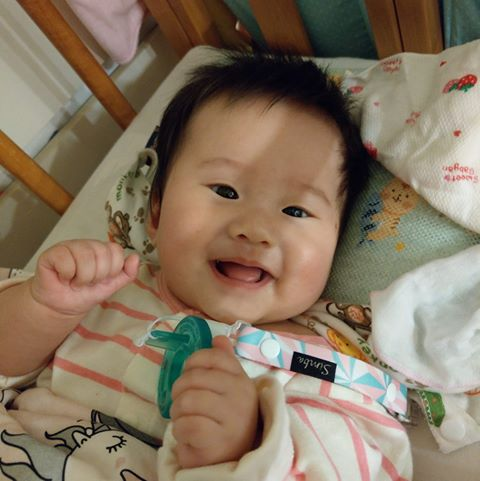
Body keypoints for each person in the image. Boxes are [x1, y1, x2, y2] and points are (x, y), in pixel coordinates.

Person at [0, 51, 411, 480]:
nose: (254, 230)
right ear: (156, 211)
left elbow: (360, 465)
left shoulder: (323, 365)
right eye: (225, 191)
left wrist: (246, 445)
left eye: (295, 211)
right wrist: (44, 308)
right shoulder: (102, 286)